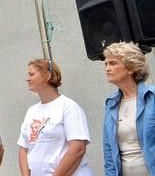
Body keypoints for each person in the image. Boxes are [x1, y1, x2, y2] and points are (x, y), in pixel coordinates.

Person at [18, 59, 92, 176]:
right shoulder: (31, 111)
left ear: (47, 76)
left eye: (31, 74)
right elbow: (23, 149)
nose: (27, 79)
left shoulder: (68, 107)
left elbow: (78, 149)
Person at [103, 41, 155, 175]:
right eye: (106, 64)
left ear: (131, 68)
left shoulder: (152, 97)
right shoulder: (111, 103)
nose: (107, 68)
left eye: (113, 63)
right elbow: (109, 151)